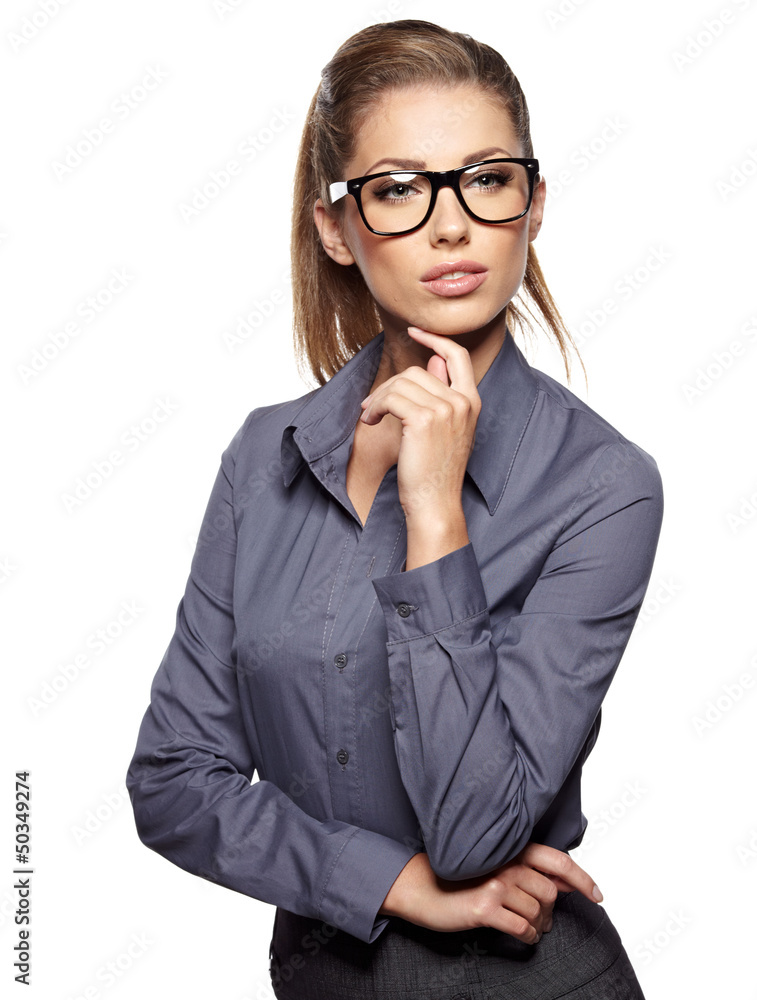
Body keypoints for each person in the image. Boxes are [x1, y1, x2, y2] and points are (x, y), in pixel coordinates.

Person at [126, 19, 663, 1000]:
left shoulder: (601, 485)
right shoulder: (265, 458)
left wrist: (434, 515)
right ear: (336, 224)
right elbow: (172, 784)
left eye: (487, 178)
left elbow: (473, 835)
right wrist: (395, 883)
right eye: (400, 188)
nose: (451, 225)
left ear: (533, 206)